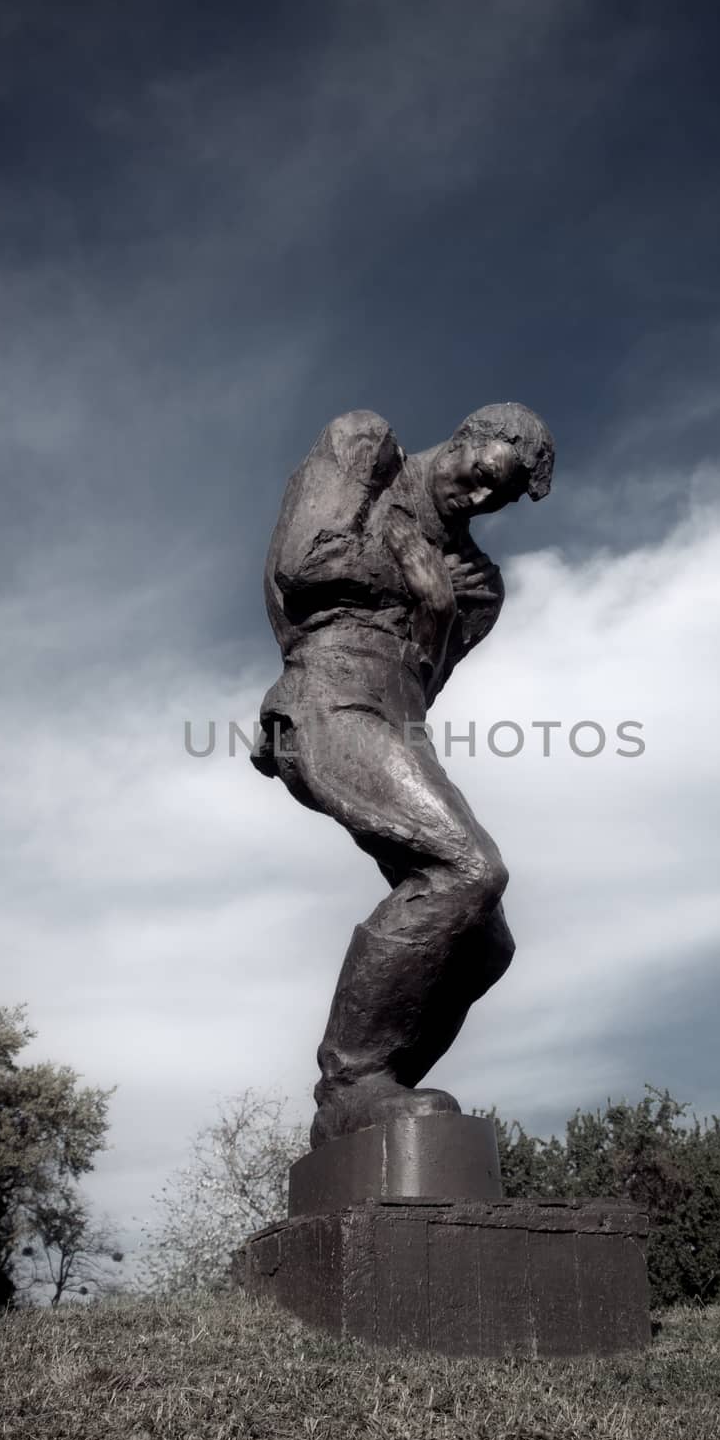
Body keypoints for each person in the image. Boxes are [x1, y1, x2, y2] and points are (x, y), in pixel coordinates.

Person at [252, 403, 555, 1148]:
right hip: (328, 698)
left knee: (484, 943)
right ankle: (351, 1080)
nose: (482, 500)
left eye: (502, 499)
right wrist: (408, 560)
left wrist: (436, 601)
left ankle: (373, 1100)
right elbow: (302, 563)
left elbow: (425, 673)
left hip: (393, 724)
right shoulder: (366, 450)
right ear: (467, 437)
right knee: (467, 869)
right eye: (485, 476)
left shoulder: (478, 583)